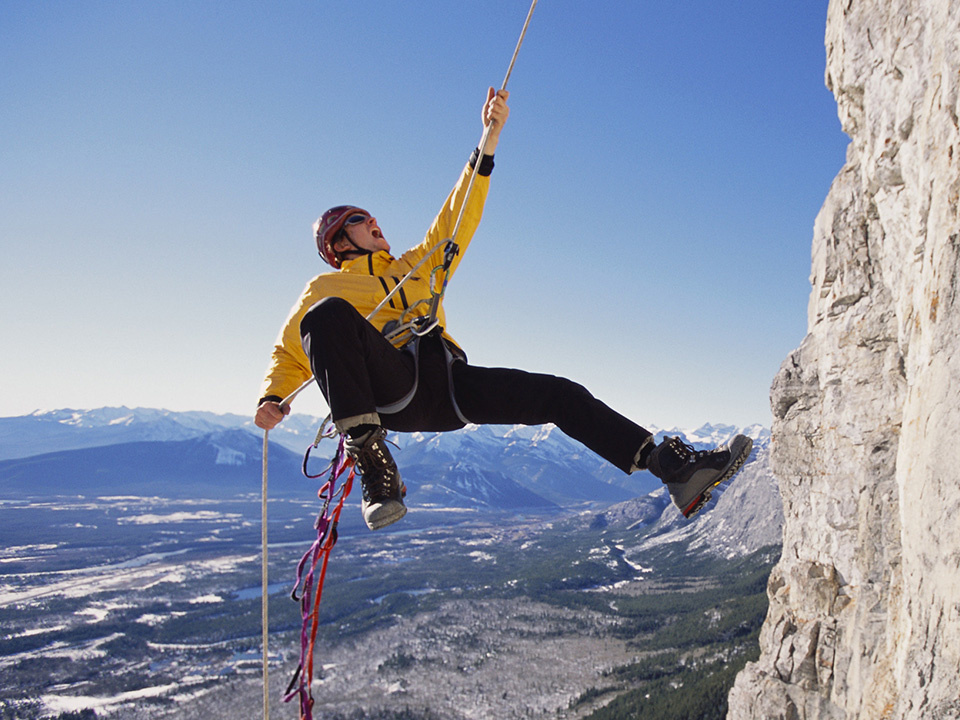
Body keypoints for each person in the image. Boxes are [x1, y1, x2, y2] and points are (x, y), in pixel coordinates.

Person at [255, 87, 752, 530]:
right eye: (362, 220)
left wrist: (488, 140)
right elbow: (291, 351)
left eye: (373, 216)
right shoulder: (324, 287)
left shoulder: (415, 266)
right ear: (338, 241)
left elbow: (457, 215)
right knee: (327, 320)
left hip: (446, 383)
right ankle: (373, 465)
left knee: (558, 394)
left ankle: (674, 470)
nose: (376, 223)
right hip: (391, 388)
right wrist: (273, 396)